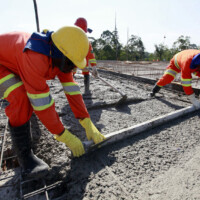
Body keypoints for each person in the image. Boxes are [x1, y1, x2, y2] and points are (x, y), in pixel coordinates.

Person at [0, 26, 105, 178]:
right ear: (60, 54)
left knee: (24, 95)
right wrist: (64, 135)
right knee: (20, 96)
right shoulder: (35, 57)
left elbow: (72, 91)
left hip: (13, 62)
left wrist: (87, 121)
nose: (73, 68)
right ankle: (25, 158)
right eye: (71, 63)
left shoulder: (60, 58)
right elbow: (42, 105)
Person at [73, 17, 98, 94]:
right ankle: (74, 89)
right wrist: (93, 67)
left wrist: (94, 67)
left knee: (84, 72)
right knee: (72, 72)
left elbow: (90, 55)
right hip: (73, 60)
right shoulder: (74, 40)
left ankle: (85, 89)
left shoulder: (86, 42)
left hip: (80, 61)